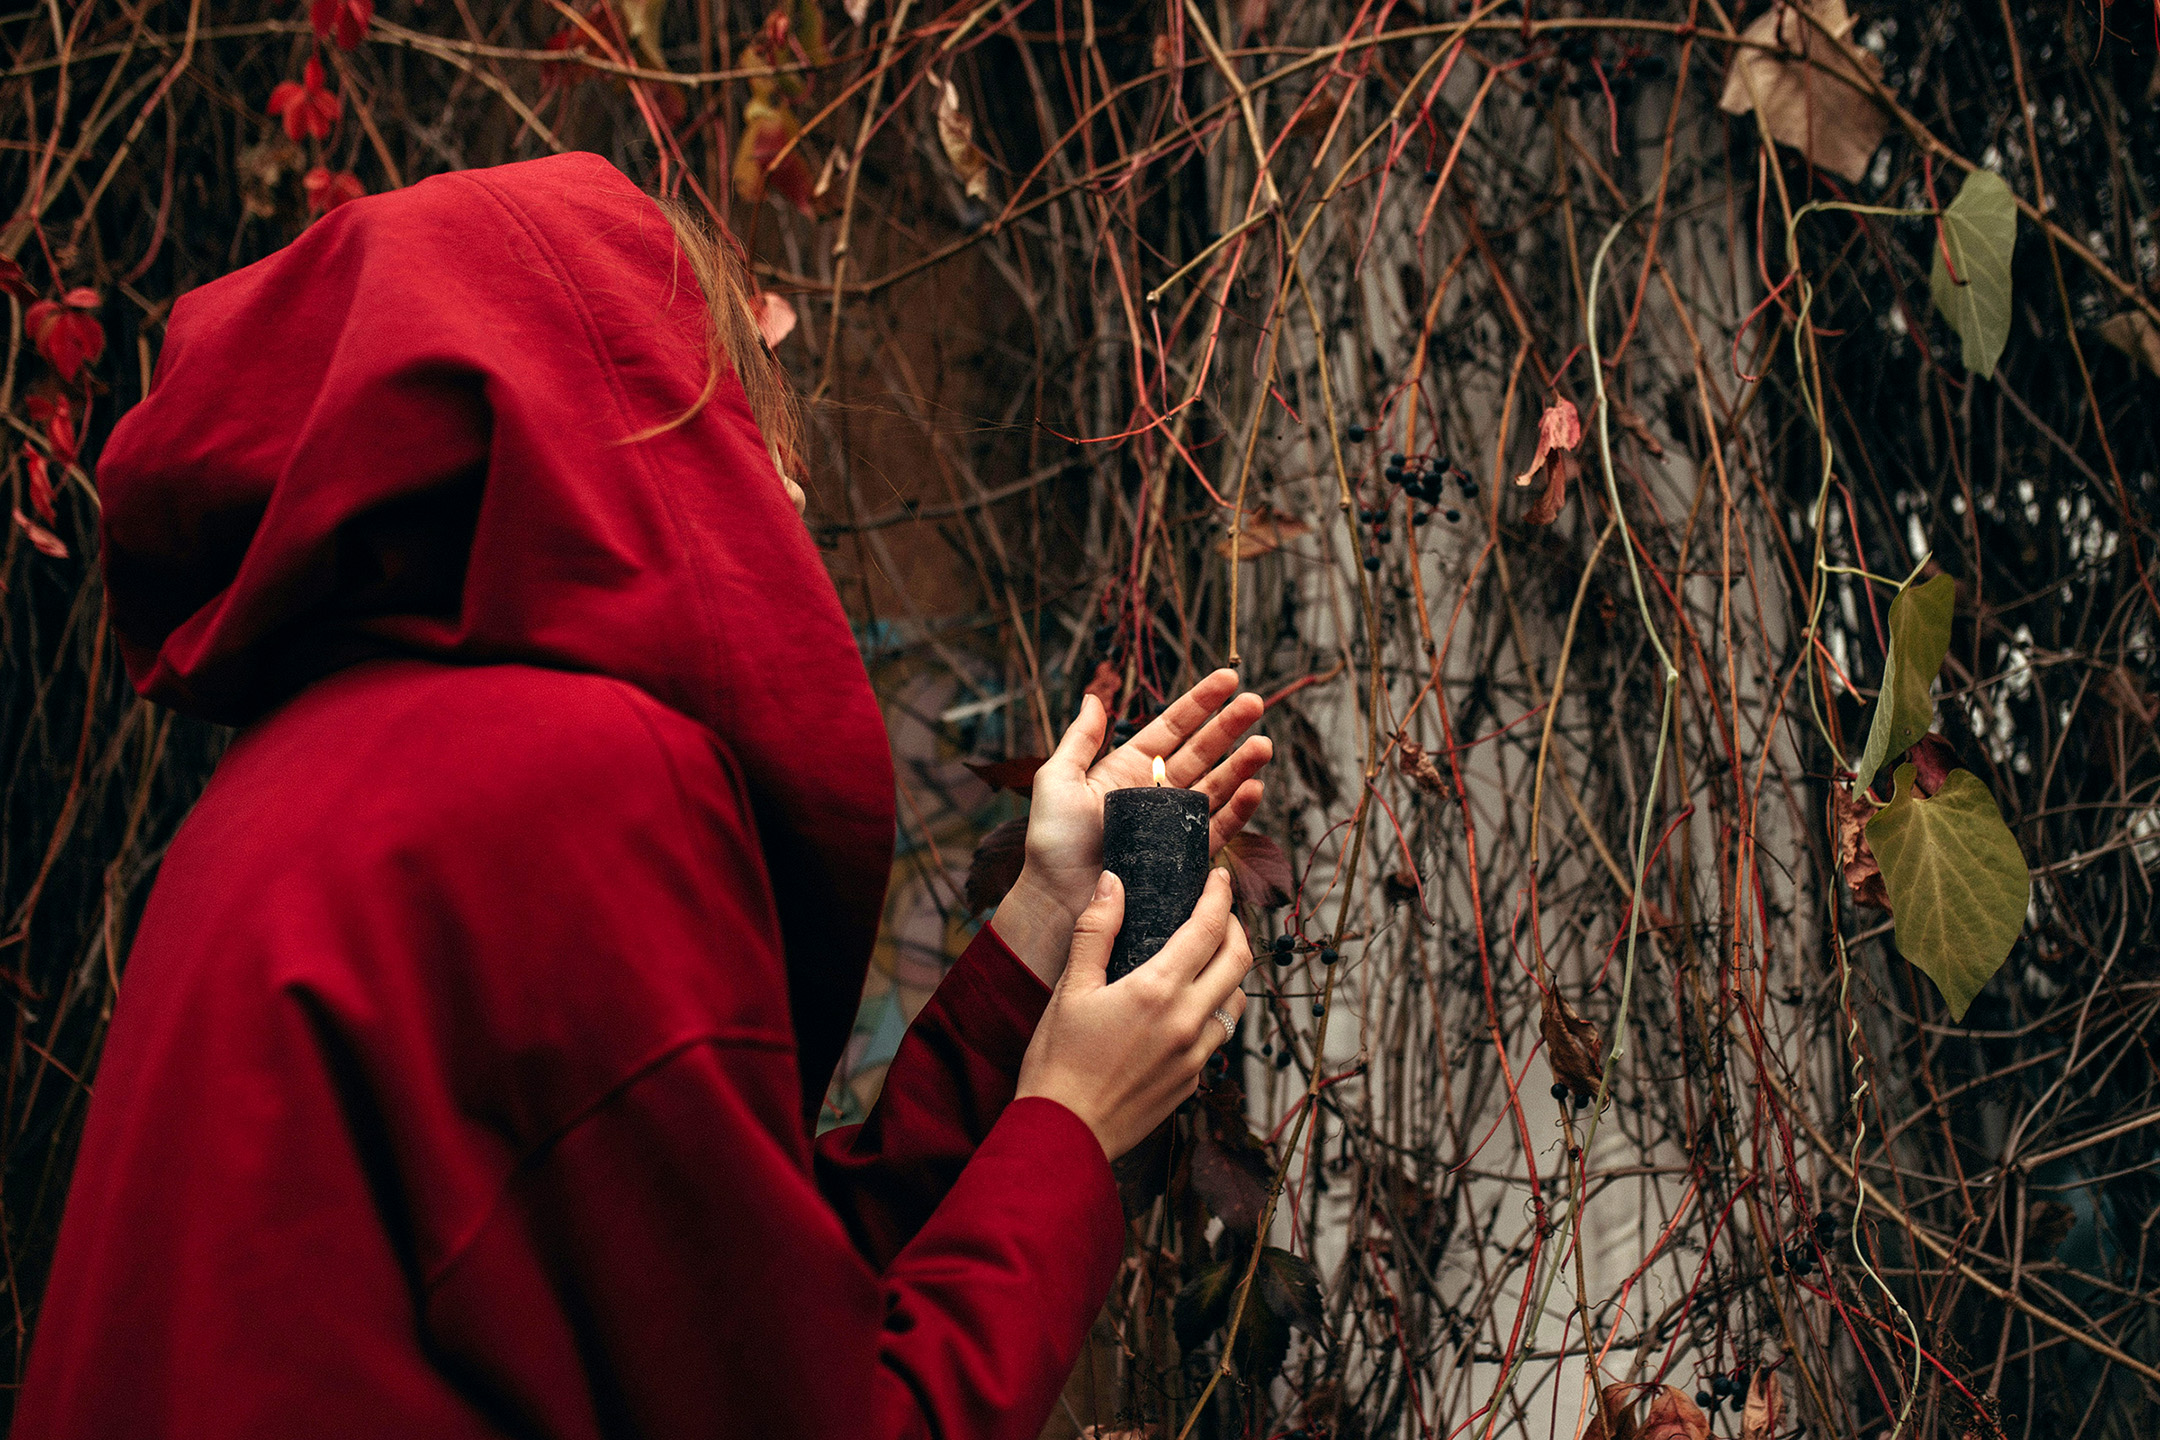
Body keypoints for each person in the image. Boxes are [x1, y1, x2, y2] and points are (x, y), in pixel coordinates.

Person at [14, 152, 1274, 1439]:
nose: (789, 489)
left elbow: (716, 1334)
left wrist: (1034, 943)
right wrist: (1069, 1129)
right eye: (734, 407)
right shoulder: (582, 789)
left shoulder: (305, 782)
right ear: (613, 410)